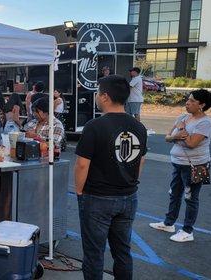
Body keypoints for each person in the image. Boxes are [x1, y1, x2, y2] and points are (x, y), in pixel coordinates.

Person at [75, 75, 147, 280]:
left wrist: (79, 192)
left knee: (94, 253)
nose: (97, 97)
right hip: (128, 196)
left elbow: (82, 164)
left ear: (105, 96)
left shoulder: (94, 126)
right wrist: (131, 183)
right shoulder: (139, 127)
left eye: (98, 93)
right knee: (122, 251)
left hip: (97, 198)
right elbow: (141, 160)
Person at [149, 89, 211, 242]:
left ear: (202, 105)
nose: (187, 103)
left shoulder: (205, 123)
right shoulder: (182, 116)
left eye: (192, 101)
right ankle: (168, 223)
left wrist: (181, 131)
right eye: (188, 99)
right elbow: (167, 137)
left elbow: (191, 143)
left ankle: (187, 231)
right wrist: (176, 136)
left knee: (191, 197)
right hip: (178, 164)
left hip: (195, 165)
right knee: (174, 193)